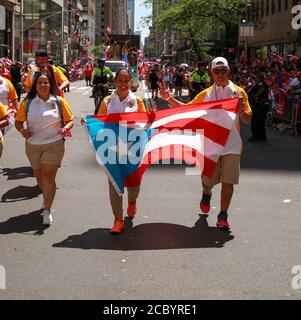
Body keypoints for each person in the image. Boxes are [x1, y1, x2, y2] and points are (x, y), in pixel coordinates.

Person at [159, 57, 252, 230]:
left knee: (228, 181)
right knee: (207, 180)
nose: (221, 74)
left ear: (229, 72)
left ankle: (223, 215)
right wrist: (169, 98)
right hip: (210, 146)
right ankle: (206, 192)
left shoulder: (239, 92)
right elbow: (186, 110)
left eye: (224, 70)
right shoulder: (206, 94)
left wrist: (240, 109)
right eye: (217, 71)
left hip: (232, 145)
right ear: (212, 74)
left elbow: (247, 119)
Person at [15, 69, 74, 226]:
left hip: (54, 144)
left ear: (51, 84)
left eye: (46, 82)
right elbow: (18, 122)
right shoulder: (27, 103)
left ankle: (47, 210)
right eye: (40, 82)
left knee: (49, 177)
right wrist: (23, 131)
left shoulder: (59, 101)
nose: (43, 84)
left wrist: (65, 128)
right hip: (33, 146)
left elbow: (70, 120)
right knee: (40, 178)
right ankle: (46, 194)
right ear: (36, 85)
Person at [97, 68, 147, 234]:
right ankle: (118, 220)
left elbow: (145, 125)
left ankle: (132, 201)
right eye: (120, 80)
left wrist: (152, 119)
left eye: (126, 81)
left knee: (134, 185)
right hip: (111, 149)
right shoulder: (107, 101)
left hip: (133, 149)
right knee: (114, 183)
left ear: (131, 83)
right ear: (115, 82)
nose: (123, 84)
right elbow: (98, 123)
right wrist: (88, 121)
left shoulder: (138, 101)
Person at [247, 72, 269, 142]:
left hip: (259, 105)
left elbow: (256, 93)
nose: (255, 78)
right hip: (258, 105)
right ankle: (261, 136)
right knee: (260, 121)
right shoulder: (260, 84)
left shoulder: (261, 84)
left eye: (256, 77)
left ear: (259, 78)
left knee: (256, 121)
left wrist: (254, 99)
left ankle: (256, 136)